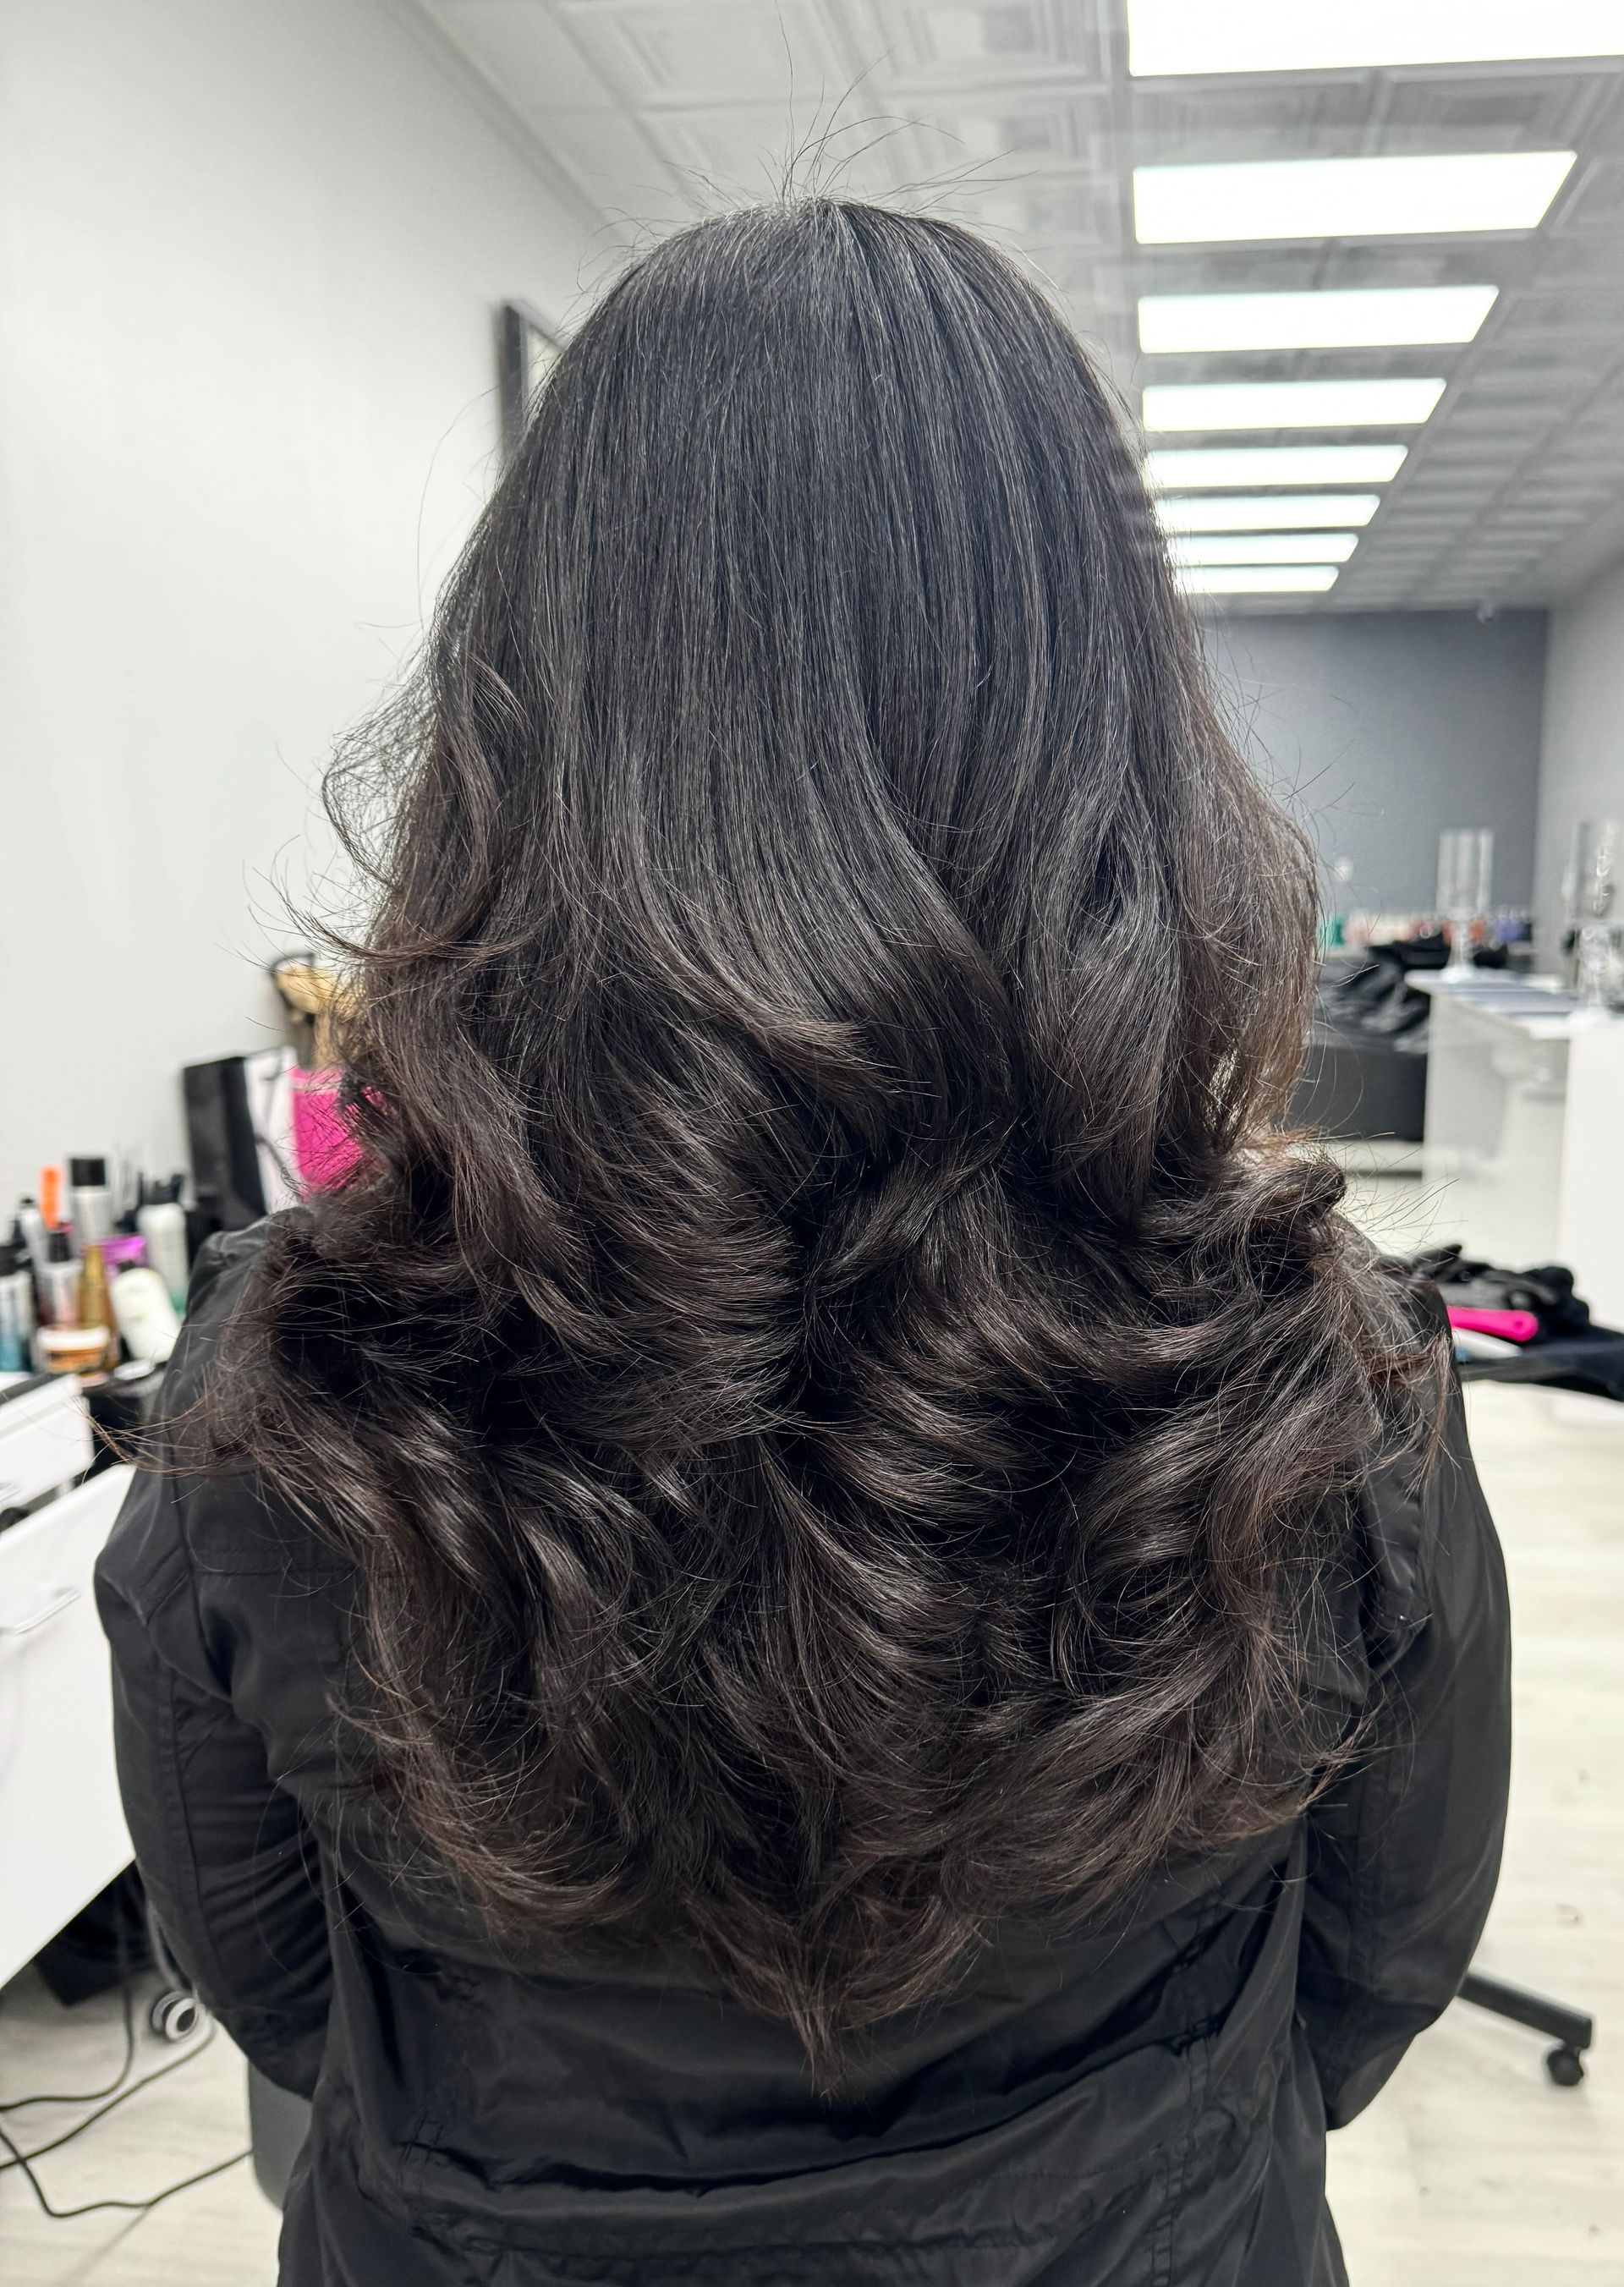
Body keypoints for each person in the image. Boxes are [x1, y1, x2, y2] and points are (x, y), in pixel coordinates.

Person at [96, 200, 1510, 2287]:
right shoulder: (1323, 1386)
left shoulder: (288, 1404)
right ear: (1110, 754)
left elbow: (288, 1999)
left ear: (525, 727)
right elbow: (1374, 1976)